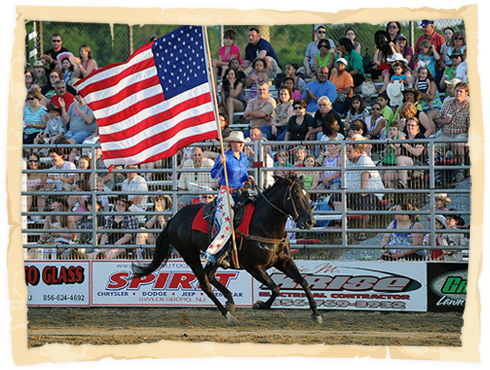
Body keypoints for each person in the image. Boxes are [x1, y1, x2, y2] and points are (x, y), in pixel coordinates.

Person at [204, 131, 254, 267]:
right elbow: (214, 175)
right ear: (231, 143)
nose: (241, 144)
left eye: (242, 142)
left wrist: (247, 178)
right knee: (227, 224)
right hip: (226, 191)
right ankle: (212, 252)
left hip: (240, 191)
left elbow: (242, 175)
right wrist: (220, 164)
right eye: (238, 142)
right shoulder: (224, 157)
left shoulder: (244, 158)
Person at [328, 135, 385, 240]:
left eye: (349, 151)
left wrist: (362, 190)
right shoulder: (347, 162)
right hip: (352, 192)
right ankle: (346, 221)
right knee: (334, 198)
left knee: (365, 201)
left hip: (370, 192)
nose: (347, 154)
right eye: (346, 151)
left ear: (357, 152)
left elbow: (365, 173)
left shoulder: (365, 159)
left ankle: (361, 231)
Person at [434, 82, 470, 182]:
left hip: (461, 133)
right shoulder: (447, 102)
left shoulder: (470, 105)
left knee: (458, 144)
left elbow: (471, 127)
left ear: (466, 93)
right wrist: (444, 121)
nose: (458, 93)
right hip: (445, 133)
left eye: (461, 91)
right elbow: (437, 120)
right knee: (431, 146)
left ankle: (460, 169)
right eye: (457, 90)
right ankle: (436, 172)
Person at [31, 195, 77, 259]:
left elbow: (73, 236)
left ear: (59, 203)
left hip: (63, 243)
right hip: (50, 242)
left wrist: (58, 233)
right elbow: (44, 233)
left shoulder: (68, 217)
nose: (51, 203)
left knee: (44, 251)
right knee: (32, 251)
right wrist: (41, 240)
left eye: (53, 201)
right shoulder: (49, 216)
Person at [385, 117, 426, 189]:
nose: (410, 127)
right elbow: (396, 155)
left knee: (401, 159)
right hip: (402, 166)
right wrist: (396, 146)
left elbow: (417, 153)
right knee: (386, 176)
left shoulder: (420, 137)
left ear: (417, 127)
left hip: (416, 165)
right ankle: (395, 196)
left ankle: (404, 184)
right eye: (408, 125)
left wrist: (404, 144)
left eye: (412, 125)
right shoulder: (404, 137)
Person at [99, 195, 139, 260]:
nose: (120, 206)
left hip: (125, 245)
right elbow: (105, 234)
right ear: (115, 204)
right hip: (111, 242)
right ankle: (84, 257)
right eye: (118, 204)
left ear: (126, 207)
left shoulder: (131, 216)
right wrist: (102, 246)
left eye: (123, 205)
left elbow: (130, 235)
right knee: (99, 252)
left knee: (112, 252)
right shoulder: (111, 216)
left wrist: (117, 244)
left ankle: (102, 259)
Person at [25, 153, 48, 217]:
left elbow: (43, 185)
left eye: (35, 161)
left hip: (37, 194)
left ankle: (39, 216)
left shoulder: (42, 173)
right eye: (30, 161)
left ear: (38, 162)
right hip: (26, 196)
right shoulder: (25, 174)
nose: (33, 163)